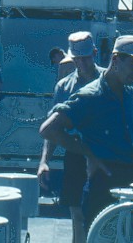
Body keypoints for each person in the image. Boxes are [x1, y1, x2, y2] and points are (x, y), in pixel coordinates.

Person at [39, 35, 133, 231]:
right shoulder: (91, 95)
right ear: (116, 60)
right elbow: (49, 129)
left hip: (130, 182)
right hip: (103, 184)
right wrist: (89, 153)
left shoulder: (129, 93)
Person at [37, 31, 104, 243]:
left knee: (104, 213)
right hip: (75, 155)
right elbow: (53, 130)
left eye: (86, 58)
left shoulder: (109, 82)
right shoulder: (63, 87)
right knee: (77, 214)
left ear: (95, 53)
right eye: (77, 59)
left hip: (106, 155)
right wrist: (44, 162)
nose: (82, 64)